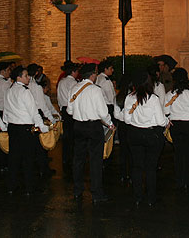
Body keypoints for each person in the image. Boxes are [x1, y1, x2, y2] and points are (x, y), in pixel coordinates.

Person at [68, 63, 114, 203]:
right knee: (95, 160)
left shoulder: (74, 88)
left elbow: (70, 110)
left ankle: (77, 190)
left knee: (78, 159)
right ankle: (96, 193)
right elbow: (102, 112)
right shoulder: (95, 90)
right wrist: (110, 124)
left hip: (78, 126)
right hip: (93, 126)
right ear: (93, 75)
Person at [124, 69, 168, 206]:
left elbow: (126, 119)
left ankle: (137, 196)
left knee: (137, 166)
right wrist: (167, 122)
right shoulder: (153, 99)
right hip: (151, 135)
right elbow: (161, 121)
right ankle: (151, 197)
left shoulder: (129, 98)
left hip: (134, 134)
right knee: (151, 167)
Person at [4, 66, 47, 195]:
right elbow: (33, 112)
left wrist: (6, 125)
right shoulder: (25, 91)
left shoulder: (9, 91)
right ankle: (29, 187)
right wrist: (43, 127)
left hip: (13, 127)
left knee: (14, 158)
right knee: (28, 159)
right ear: (19, 77)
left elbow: (6, 111)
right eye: (26, 75)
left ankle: (12, 186)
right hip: (25, 128)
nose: (28, 78)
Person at [163, 67, 189, 191]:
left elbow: (166, 111)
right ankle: (188, 180)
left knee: (178, 153)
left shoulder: (169, 94)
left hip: (176, 126)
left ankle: (179, 180)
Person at [57, 61, 79, 172]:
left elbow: (59, 96)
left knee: (66, 135)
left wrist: (61, 108)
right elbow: (75, 98)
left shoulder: (61, 82)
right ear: (73, 72)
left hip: (64, 109)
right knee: (73, 135)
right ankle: (72, 157)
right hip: (72, 110)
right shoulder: (74, 83)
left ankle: (66, 157)